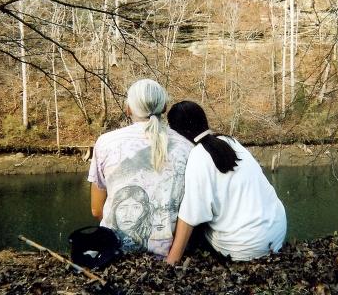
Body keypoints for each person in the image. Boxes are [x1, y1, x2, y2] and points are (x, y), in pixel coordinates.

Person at [165, 101, 287, 263]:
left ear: (177, 132)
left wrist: (171, 261)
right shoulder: (230, 141)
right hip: (277, 233)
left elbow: (189, 216)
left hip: (246, 248)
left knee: (197, 220)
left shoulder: (198, 156)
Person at [88, 79, 193, 256]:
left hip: (113, 253)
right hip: (167, 254)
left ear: (128, 109)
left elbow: (96, 210)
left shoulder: (105, 142)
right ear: (165, 107)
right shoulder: (187, 147)